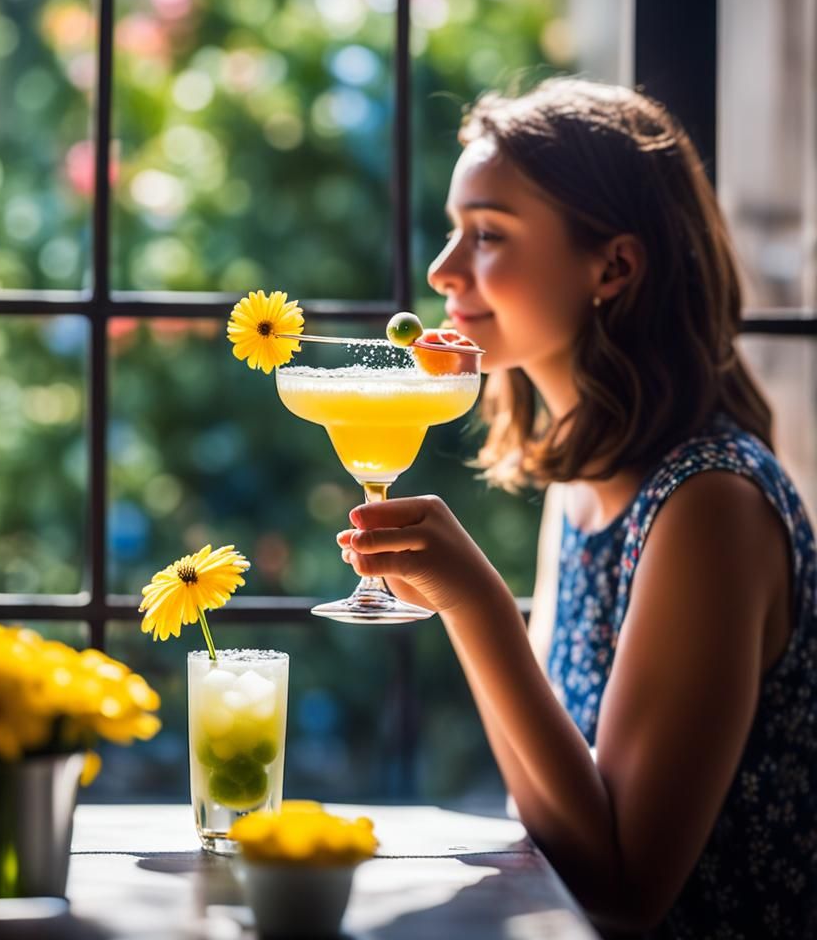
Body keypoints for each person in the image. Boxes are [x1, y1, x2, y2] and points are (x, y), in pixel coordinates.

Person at [337, 78, 817, 938]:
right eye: (454, 231)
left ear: (614, 266)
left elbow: (627, 891)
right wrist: (464, 608)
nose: (444, 271)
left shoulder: (710, 506)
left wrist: (475, 605)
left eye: (488, 235)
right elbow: (553, 820)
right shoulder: (584, 479)